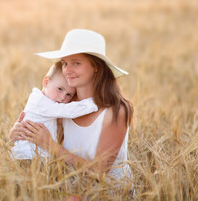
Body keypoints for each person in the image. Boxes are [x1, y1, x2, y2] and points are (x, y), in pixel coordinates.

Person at [10, 29, 134, 183]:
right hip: (69, 190)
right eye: (64, 63)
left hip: (108, 194)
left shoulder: (115, 111)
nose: (67, 70)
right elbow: (41, 129)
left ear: (97, 66)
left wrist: (50, 145)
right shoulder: (65, 102)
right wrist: (18, 134)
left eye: (76, 63)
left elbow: (99, 171)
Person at [11, 61, 98, 160]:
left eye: (69, 95)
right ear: (46, 82)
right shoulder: (41, 102)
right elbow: (68, 110)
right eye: (60, 89)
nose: (62, 97)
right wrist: (93, 103)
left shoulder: (41, 99)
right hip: (28, 156)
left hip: (35, 156)